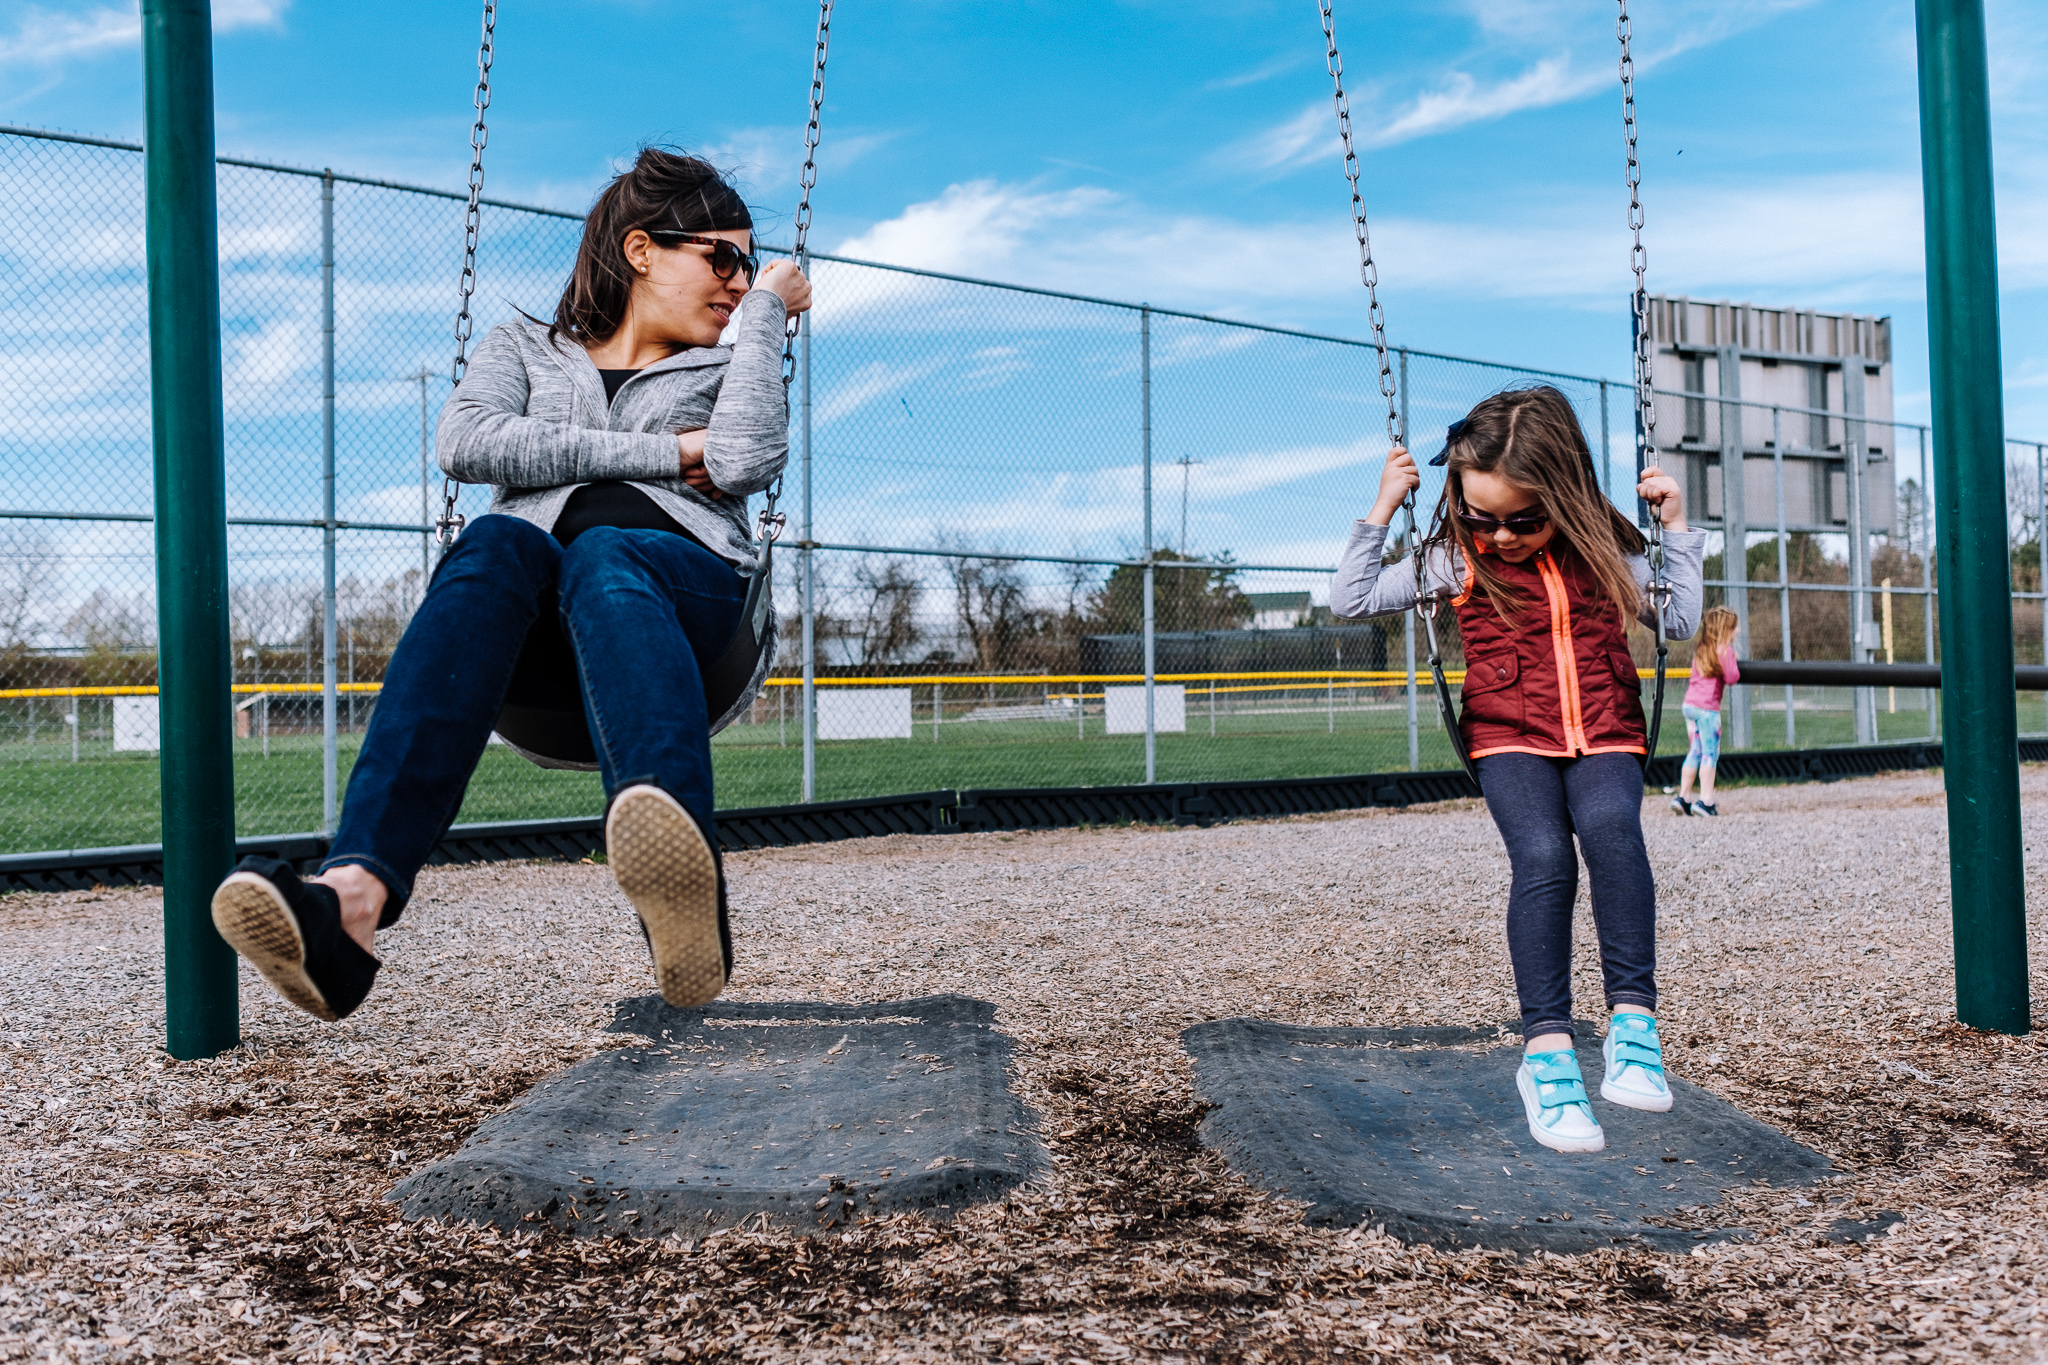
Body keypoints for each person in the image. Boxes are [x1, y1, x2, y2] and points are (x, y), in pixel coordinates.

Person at [207, 148, 811, 1023]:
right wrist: (669, 451)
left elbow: (746, 457)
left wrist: (763, 317)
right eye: (724, 258)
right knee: (494, 539)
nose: (739, 280)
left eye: (750, 268)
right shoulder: (523, 347)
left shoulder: (728, 361)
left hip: (689, 605)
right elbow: (468, 441)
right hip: (534, 647)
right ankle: (349, 908)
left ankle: (683, 892)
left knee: (611, 551)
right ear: (644, 251)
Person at [1330, 386, 1704, 1154]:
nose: (1499, 535)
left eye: (1522, 520)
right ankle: (1547, 1054)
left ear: (1561, 496)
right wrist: (1380, 509)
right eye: (1479, 515)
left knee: (1611, 830)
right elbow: (1352, 597)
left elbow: (1676, 621)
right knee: (1541, 857)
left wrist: (1676, 528)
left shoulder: (1606, 550)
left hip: (1604, 728)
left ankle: (1634, 1024)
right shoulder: (1453, 558)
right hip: (1508, 737)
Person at [1672, 605, 1740, 817]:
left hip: (1689, 707)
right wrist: (1734, 660)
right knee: (1710, 754)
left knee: (1695, 752)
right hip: (1707, 711)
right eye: (1735, 628)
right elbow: (1732, 678)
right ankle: (1706, 801)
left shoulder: (1702, 650)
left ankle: (1683, 797)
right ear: (1726, 629)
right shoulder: (1724, 651)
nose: (1737, 631)